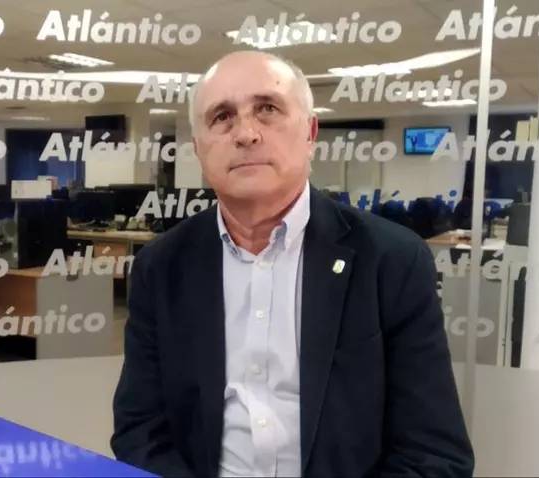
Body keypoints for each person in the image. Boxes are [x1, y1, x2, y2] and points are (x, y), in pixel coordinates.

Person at [110, 51, 474, 478]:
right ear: (198, 149)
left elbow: (433, 455)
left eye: (267, 109)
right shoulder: (161, 267)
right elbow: (140, 431)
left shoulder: (392, 261)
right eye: (222, 117)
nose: (246, 133)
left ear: (310, 132)